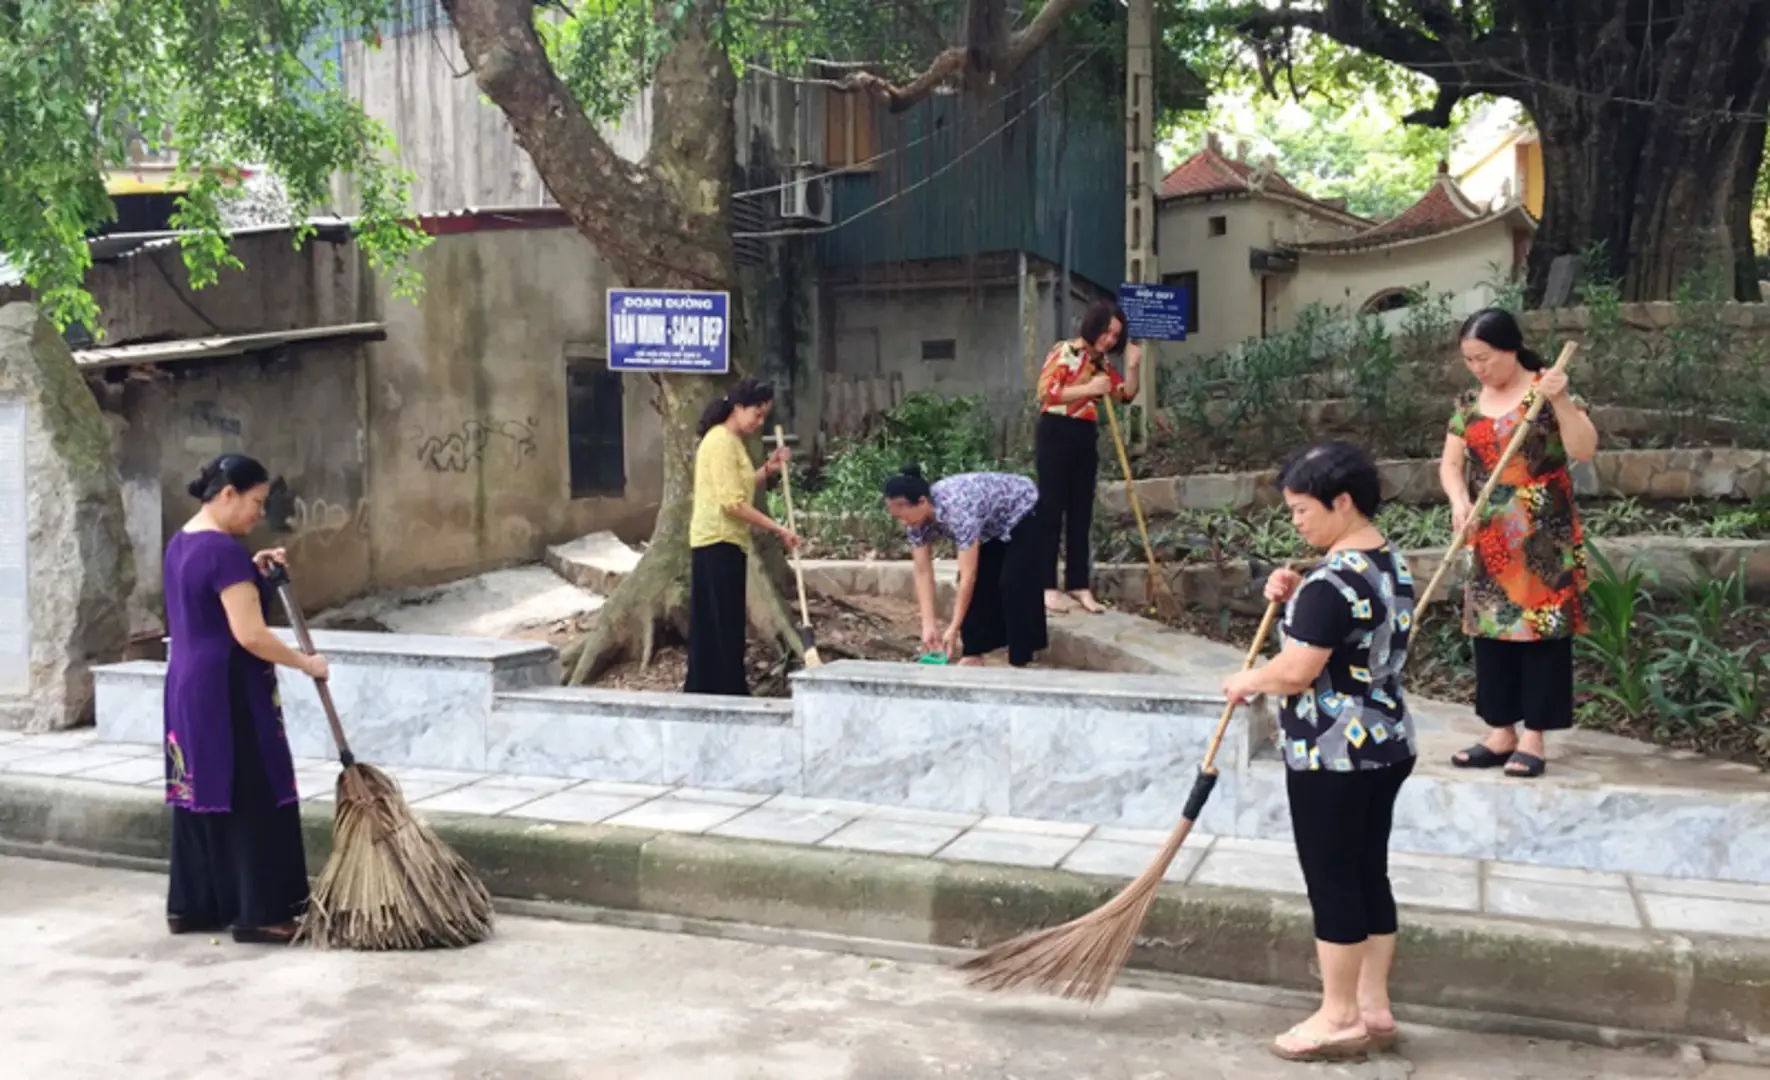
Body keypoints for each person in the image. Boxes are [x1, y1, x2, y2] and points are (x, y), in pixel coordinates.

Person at [1221, 441, 1417, 1063]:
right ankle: (1373, 1005)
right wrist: (1295, 592)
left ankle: (1338, 1017)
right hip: (1386, 740)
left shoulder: (1332, 582)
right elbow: (1346, 627)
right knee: (1366, 871)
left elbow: (1299, 669)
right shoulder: (1388, 562)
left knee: (1332, 879)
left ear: (1342, 502)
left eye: (1304, 510)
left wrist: (1248, 680)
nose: (1296, 521)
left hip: (1334, 752)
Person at [163, 453, 329, 944]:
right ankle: (262, 913)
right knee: (254, 791)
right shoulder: (224, 553)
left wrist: (252, 570)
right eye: (257, 502)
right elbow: (250, 635)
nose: (260, 514)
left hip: (187, 685)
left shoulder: (182, 542)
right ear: (228, 493)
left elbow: (207, 603)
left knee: (200, 789)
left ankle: (193, 906)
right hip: (230, 688)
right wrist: (306, 663)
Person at [1441, 308, 1597, 778]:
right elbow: (1450, 464)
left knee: (1542, 631)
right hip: (1489, 531)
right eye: (1469, 359)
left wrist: (1563, 400)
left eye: (1484, 358)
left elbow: (1583, 449)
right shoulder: (1468, 402)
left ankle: (1534, 737)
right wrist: (1458, 500)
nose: (1477, 368)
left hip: (1541, 531)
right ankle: (1500, 731)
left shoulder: (1545, 389)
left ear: (1510, 349)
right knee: (1491, 630)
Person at [686, 377, 797, 696]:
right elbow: (733, 502)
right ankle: (721, 691)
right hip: (715, 542)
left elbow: (742, 483)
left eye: (765, 416)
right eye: (757, 414)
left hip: (728, 542)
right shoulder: (720, 441)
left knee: (727, 622)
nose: (759, 422)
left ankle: (721, 689)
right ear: (738, 408)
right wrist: (778, 529)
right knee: (720, 624)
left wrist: (769, 469)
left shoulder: (731, 441)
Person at [1033, 298, 1141, 616]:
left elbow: (1125, 395)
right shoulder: (1065, 351)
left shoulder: (1103, 364)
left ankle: (1079, 584)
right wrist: (1089, 388)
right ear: (1093, 326)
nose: (1109, 339)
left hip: (1084, 435)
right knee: (1052, 510)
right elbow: (1046, 392)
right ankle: (1046, 586)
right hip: (1055, 430)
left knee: (1082, 512)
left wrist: (1132, 367)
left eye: (1115, 335)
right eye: (1107, 332)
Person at [882, 465, 1047, 667]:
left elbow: (969, 574)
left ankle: (1022, 656)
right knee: (981, 583)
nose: (902, 522)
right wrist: (928, 624)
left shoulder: (959, 510)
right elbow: (923, 571)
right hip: (990, 523)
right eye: (897, 518)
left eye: (903, 515)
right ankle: (974, 652)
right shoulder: (915, 524)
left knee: (1012, 581)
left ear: (923, 502)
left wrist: (953, 628)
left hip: (1023, 507)